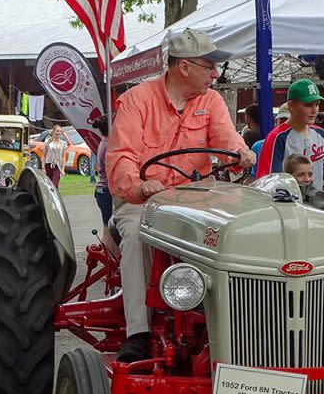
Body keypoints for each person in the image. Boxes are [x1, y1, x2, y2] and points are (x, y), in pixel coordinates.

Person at [107, 28, 255, 363]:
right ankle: (138, 334)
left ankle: (234, 326)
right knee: (137, 236)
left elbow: (226, 138)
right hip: (146, 202)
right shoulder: (136, 101)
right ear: (184, 67)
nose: (215, 74)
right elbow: (121, 155)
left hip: (196, 199)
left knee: (230, 235)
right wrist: (139, 183)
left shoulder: (211, 101)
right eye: (209, 66)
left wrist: (241, 153)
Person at [256, 79, 324, 190]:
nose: (314, 110)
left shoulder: (321, 134)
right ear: (291, 106)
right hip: (287, 205)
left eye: (317, 104)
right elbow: (267, 181)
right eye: (308, 105)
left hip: (314, 203)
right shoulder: (277, 137)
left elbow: (323, 175)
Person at [91, 117, 115, 253]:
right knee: (109, 230)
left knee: (108, 227)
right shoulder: (109, 145)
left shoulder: (104, 142)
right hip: (106, 190)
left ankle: (110, 261)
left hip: (102, 190)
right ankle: (109, 262)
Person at [252, 104, 289, 172]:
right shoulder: (259, 146)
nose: (286, 124)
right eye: (282, 120)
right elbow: (253, 177)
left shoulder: (306, 146)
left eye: (290, 121)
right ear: (276, 122)